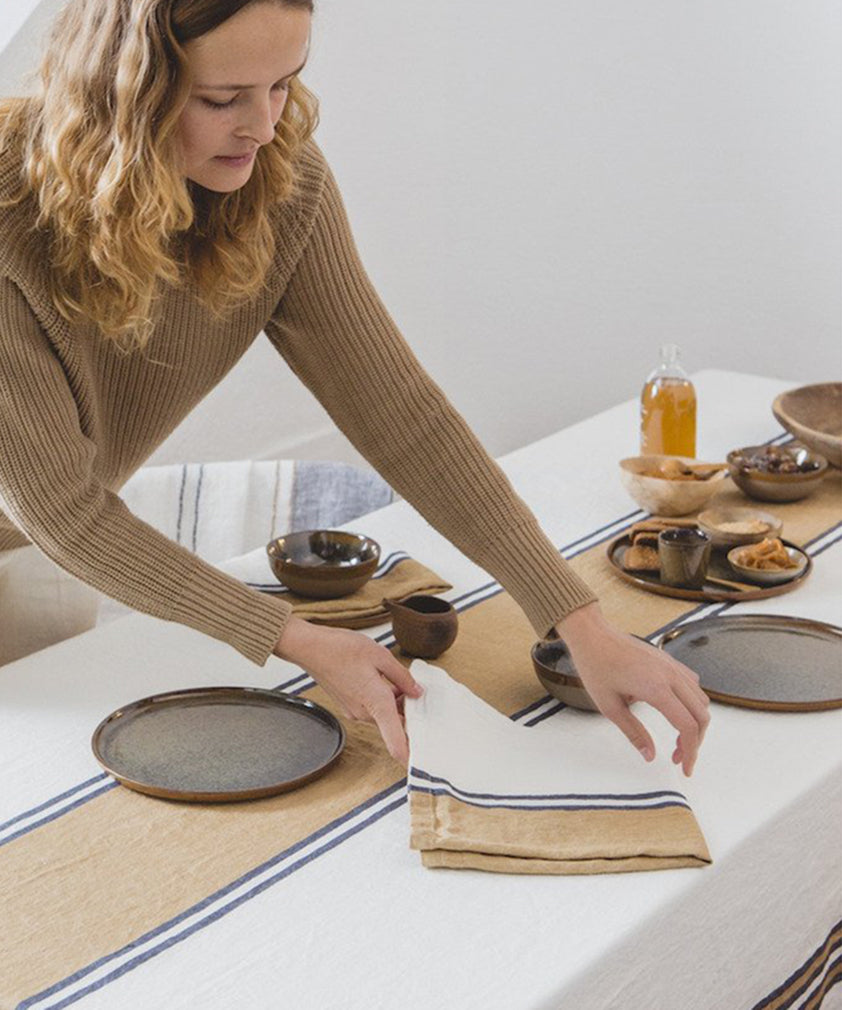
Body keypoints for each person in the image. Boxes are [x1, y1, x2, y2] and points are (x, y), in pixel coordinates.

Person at [0, 0, 709, 772]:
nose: (264, 126)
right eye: (220, 99)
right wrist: (295, 639)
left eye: (283, 83)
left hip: (42, 540)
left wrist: (578, 619)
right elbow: (62, 511)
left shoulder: (277, 183)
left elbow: (401, 416)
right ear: (121, 88)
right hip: (51, 523)